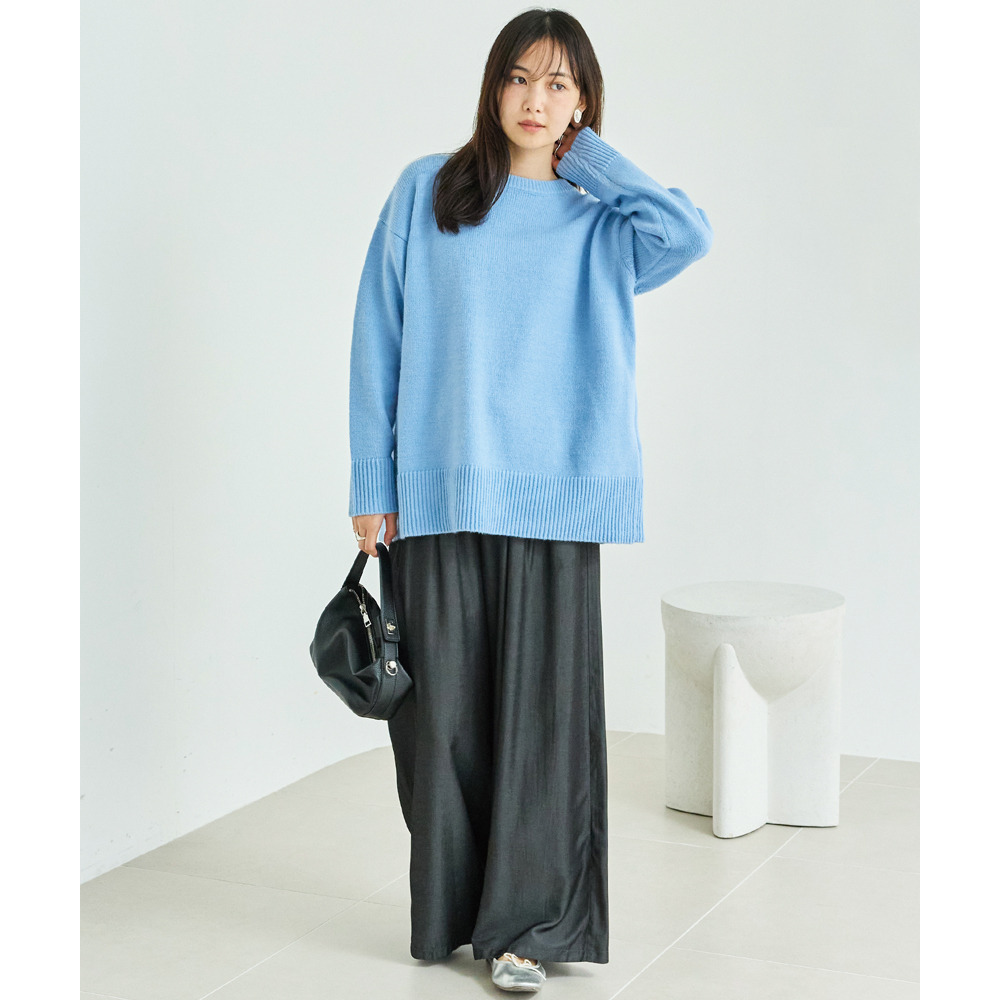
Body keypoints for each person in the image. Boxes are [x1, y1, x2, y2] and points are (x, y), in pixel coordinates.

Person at [347, 8, 712, 993]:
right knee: (441, 726)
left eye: (558, 84)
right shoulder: (427, 191)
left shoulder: (603, 222)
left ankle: (527, 929)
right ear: (491, 87)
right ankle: (455, 913)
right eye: (518, 78)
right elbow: (377, 335)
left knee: (542, 732)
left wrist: (586, 157)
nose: (534, 100)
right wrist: (372, 483)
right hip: (438, 497)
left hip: (555, 500)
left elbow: (689, 233)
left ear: (583, 102)